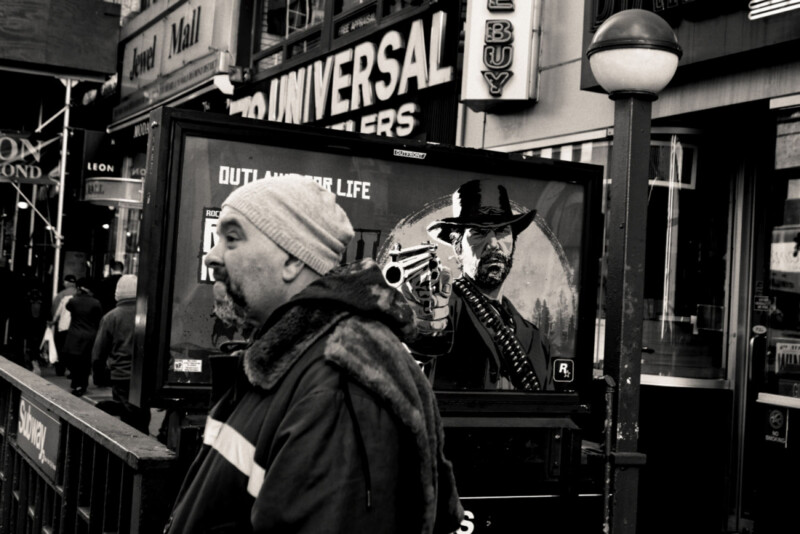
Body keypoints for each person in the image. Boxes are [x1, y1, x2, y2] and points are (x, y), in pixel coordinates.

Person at [164, 176, 462, 534]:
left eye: (231, 238)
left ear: (292, 259)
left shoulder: (338, 386)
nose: (211, 257)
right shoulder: (294, 361)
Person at [404, 179, 553, 392]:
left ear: (513, 243)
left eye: (502, 231)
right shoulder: (443, 310)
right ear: (458, 248)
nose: (493, 244)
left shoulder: (536, 340)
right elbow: (419, 351)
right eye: (479, 232)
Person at [92, 274, 150, 433]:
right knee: (142, 413)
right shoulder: (149, 315)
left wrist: (98, 374)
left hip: (121, 375)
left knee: (126, 414)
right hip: (145, 375)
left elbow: (98, 352)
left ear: (118, 293)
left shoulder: (111, 317)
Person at [63, 278, 103, 396]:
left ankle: (75, 382)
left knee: (73, 359)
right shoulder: (96, 303)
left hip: (74, 333)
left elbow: (68, 308)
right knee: (85, 362)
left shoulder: (73, 301)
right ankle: (82, 384)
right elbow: (98, 317)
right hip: (90, 334)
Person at [51, 274, 78, 375]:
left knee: (61, 348)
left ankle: (60, 369)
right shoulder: (79, 294)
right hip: (75, 327)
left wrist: (53, 321)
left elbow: (55, 311)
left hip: (63, 326)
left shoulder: (61, 295)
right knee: (73, 349)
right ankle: (72, 369)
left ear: (66, 282)